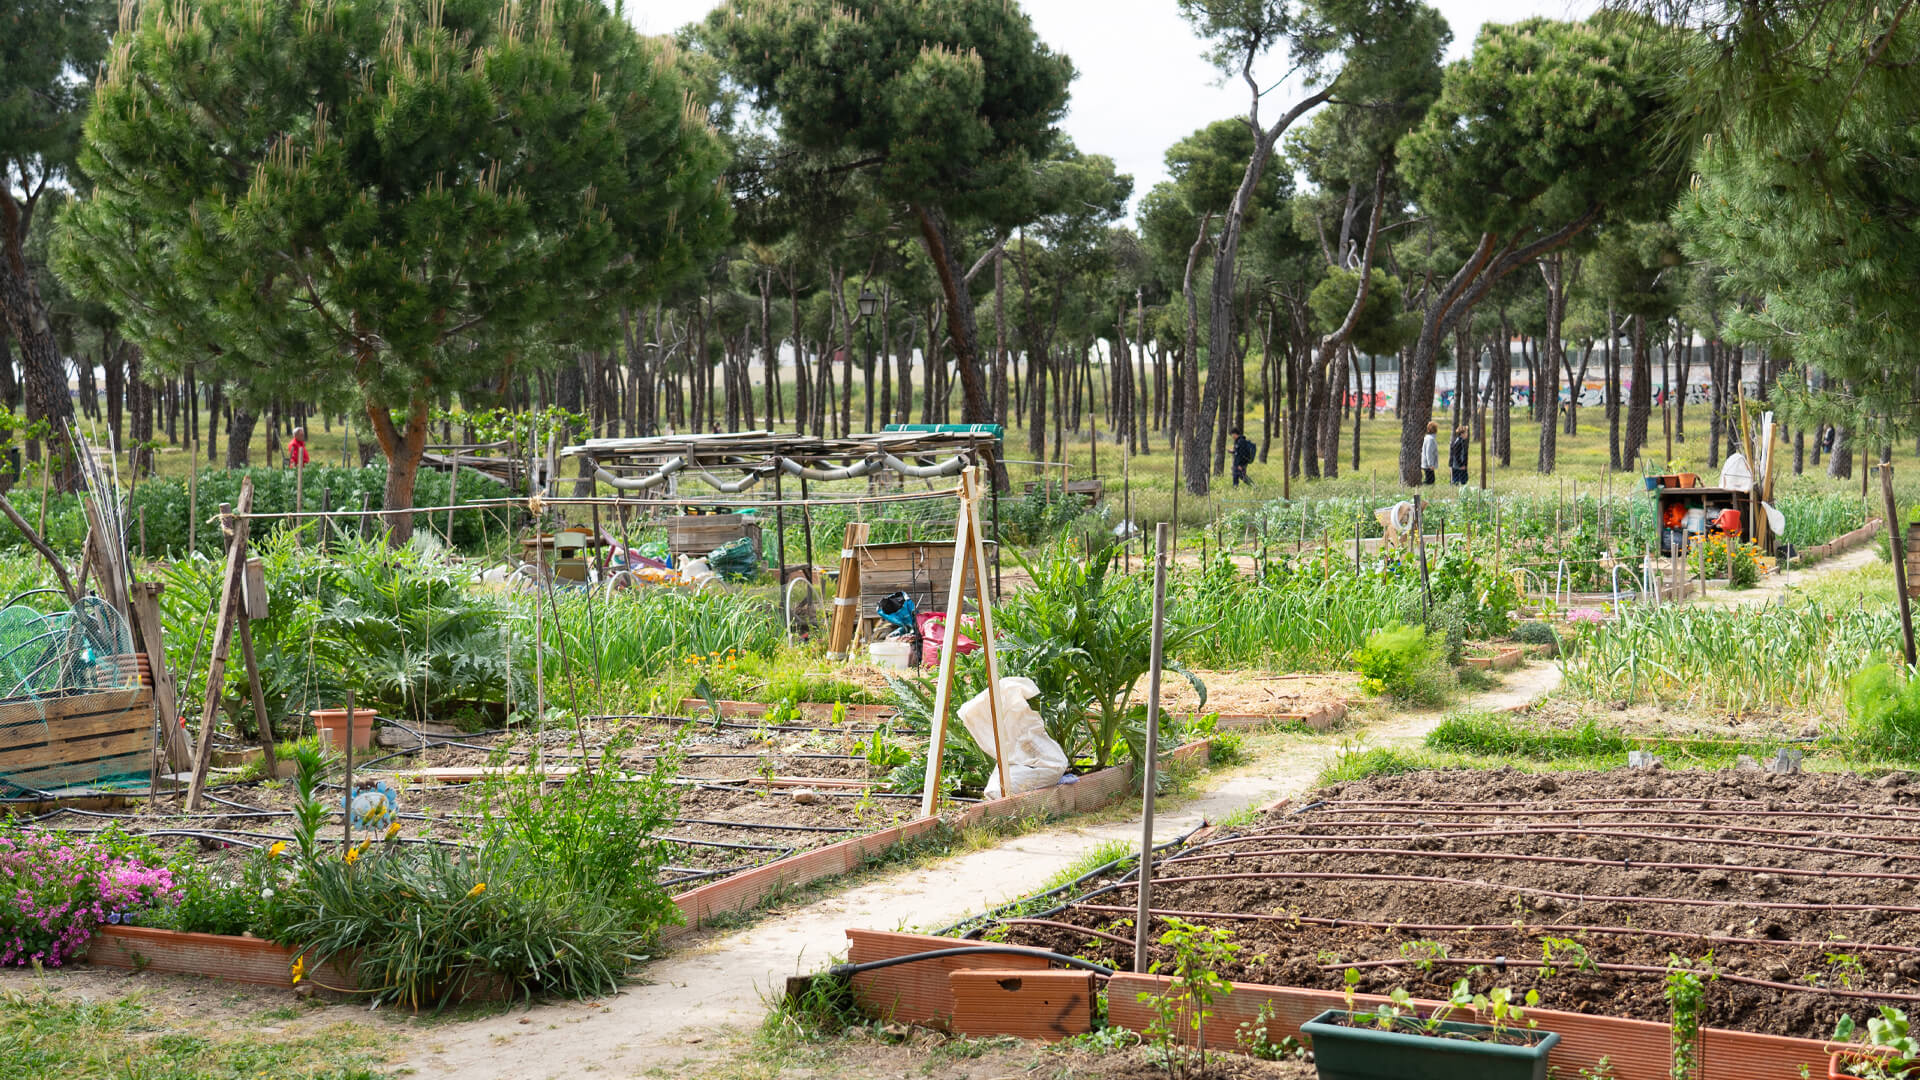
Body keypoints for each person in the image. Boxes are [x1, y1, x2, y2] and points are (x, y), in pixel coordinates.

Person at [1420, 420, 1438, 485]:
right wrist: (1431, 464)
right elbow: (1429, 452)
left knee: (1430, 479)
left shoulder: (1427, 438)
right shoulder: (1430, 439)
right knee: (1430, 480)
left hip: (1427, 463)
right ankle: (1420, 486)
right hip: (1428, 464)